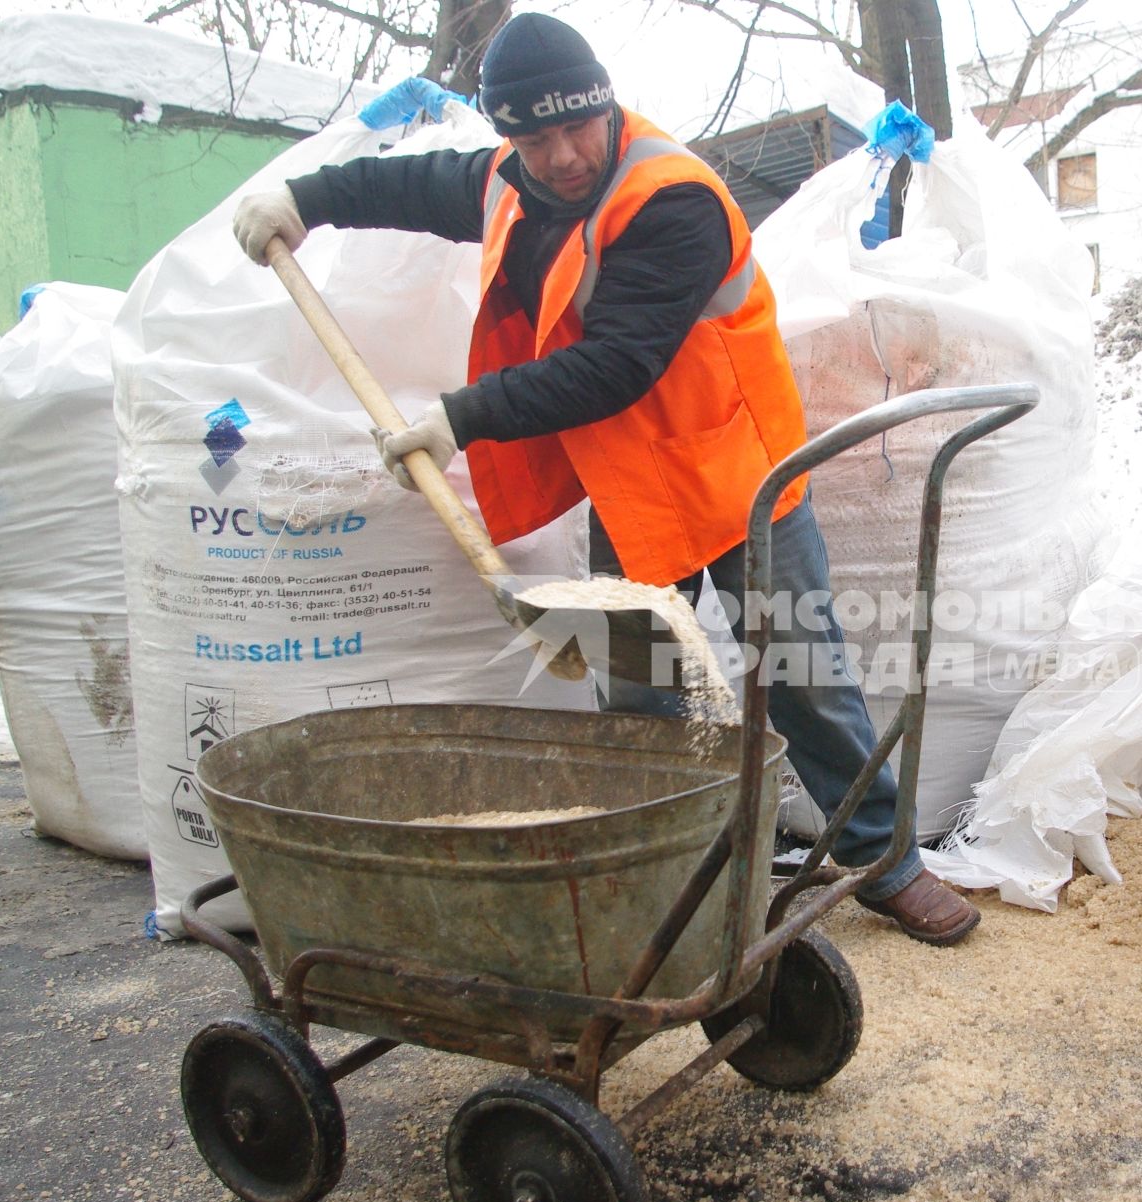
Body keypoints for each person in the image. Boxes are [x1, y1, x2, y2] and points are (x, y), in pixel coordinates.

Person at [231, 11, 978, 944]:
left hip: (738, 471)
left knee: (802, 675)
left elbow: (617, 364)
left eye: (575, 128)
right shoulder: (516, 180)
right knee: (641, 694)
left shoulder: (673, 199)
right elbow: (422, 182)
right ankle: (670, 884)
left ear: (604, 106)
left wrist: (459, 418)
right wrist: (306, 199)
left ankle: (884, 863)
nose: (561, 156)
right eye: (532, 139)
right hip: (632, 486)